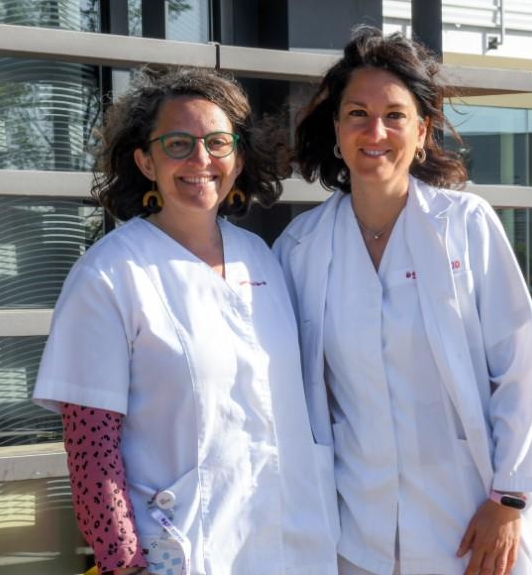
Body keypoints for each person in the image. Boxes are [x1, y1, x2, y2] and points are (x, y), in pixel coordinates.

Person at [274, 27, 532, 575]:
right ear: (336, 129)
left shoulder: (466, 225)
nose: (376, 131)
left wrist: (510, 499)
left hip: (476, 521)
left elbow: (521, 367)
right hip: (359, 534)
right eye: (357, 113)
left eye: (395, 115)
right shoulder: (300, 249)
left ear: (421, 132)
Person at [33, 67, 339, 575]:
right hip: (183, 549)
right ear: (145, 161)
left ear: (238, 158)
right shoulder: (110, 273)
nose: (200, 159)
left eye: (218, 143)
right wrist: (122, 562)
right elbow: (91, 444)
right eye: (178, 144)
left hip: (294, 542)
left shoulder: (261, 258)